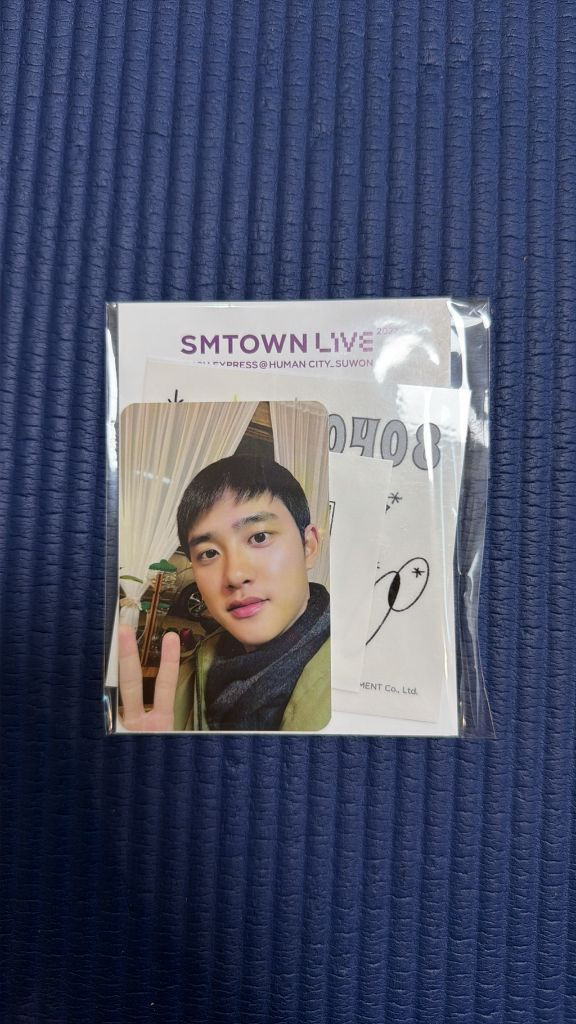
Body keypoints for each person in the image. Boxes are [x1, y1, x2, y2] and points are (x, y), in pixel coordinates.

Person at [119, 455, 331, 732]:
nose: (234, 575)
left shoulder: (351, 687)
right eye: (209, 553)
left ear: (308, 546)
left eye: (259, 537)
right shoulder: (188, 680)